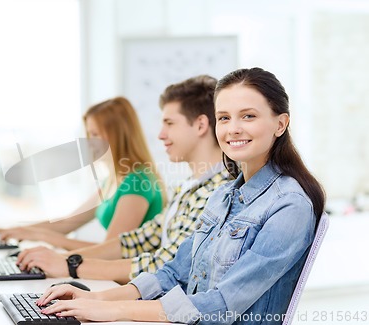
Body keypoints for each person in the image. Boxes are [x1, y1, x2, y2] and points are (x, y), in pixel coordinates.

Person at [35, 67, 326, 324]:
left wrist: (115, 310)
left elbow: (220, 305)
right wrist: (97, 301)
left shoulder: (289, 206)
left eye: (248, 116)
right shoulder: (224, 195)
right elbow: (173, 272)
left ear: (280, 123)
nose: (233, 128)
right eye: (224, 118)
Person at [16, 75, 231, 284]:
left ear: (201, 125)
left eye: (169, 123)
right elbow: (136, 240)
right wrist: (62, 259)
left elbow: (169, 265)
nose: (160, 134)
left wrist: (71, 264)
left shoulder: (218, 193)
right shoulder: (187, 187)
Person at [0, 97, 165, 250]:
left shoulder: (138, 182)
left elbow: (111, 251)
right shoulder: (114, 180)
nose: (90, 142)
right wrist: (2, 230)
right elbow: (66, 224)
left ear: (119, 135)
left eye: (96, 134)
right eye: (89, 134)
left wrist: (44, 238)